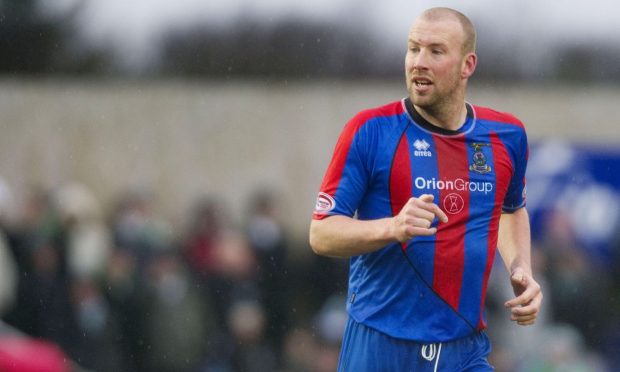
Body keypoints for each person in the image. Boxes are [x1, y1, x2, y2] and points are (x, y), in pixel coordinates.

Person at [309, 7, 543, 371]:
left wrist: (520, 268)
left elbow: (510, 208)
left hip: (463, 349)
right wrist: (393, 227)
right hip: (380, 345)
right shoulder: (370, 130)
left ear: (467, 65)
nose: (419, 62)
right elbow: (322, 233)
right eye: (413, 48)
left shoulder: (506, 135)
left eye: (435, 51)